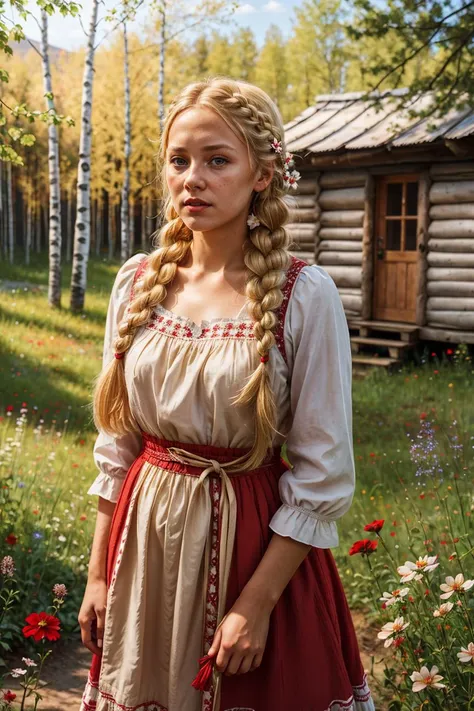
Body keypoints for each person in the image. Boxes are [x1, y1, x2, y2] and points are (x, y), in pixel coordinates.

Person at [78, 77, 375, 711]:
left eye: (218, 160)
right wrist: (99, 572)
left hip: (252, 546)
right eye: (179, 161)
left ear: (263, 173)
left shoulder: (305, 294)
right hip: (145, 546)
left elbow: (323, 473)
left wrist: (256, 604)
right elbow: (117, 447)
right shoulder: (136, 284)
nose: (193, 179)